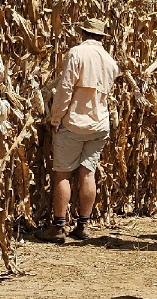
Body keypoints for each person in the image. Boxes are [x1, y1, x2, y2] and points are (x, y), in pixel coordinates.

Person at [35, 18, 120, 244]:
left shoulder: (77, 53)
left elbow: (65, 89)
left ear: (83, 33)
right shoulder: (110, 60)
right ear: (101, 37)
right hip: (99, 124)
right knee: (88, 173)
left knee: (62, 173)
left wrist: (56, 117)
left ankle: (58, 227)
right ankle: (82, 226)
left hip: (74, 123)